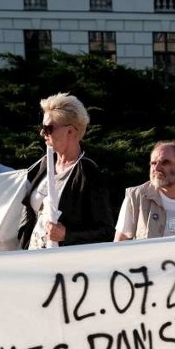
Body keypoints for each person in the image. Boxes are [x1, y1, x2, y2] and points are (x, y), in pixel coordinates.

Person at [19, 92, 114, 249]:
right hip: (33, 260)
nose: (42, 133)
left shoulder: (88, 173)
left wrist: (67, 235)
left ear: (70, 131)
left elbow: (106, 231)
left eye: (48, 128)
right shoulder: (45, 163)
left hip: (64, 267)